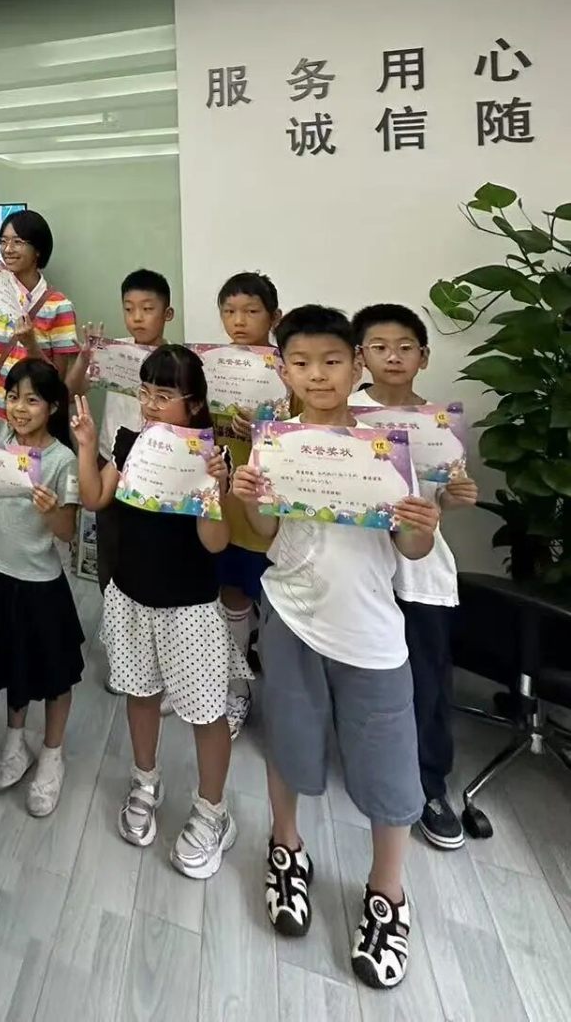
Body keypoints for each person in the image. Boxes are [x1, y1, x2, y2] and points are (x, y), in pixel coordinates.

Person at [232, 305, 441, 992]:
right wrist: (248, 495)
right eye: (300, 363)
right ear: (282, 369)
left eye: (330, 361)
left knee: (387, 764)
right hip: (291, 612)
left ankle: (388, 892)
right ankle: (286, 846)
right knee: (288, 741)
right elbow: (266, 533)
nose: (316, 375)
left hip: (370, 629)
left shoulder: (385, 447)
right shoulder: (274, 442)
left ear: (355, 365)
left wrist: (421, 522)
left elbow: (411, 548)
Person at [71, 347, 247, 877]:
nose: (149, 403)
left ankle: (212, 810)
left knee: (206, 712)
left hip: (189, 607)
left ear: (193, 404)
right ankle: (145, 780)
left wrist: (214, 489)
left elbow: (216, 543)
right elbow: (94, 497)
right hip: (130, 595)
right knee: (140, 693)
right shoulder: (131, 442)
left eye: (164, 395)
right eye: (145, 392)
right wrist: (86, 447)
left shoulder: (211, 456)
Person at [352, 303, 479, 851]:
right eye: (380, 347)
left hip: (419, 574)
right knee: (361, 679)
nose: (393, 357)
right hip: (359, 570)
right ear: (361, 356)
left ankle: (429, 786)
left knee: (426, 682)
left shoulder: (439, 426)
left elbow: (438, 500)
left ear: (423, 357)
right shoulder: (345, 413)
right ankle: (364, 769)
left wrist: (454, 496)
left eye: (405, 347)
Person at [0, 327, 83, 818]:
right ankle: (15, 741)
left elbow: (68, 533)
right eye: (13, 397)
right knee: (12, 664)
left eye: (32, 400)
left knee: (54, 674)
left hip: (41, 585)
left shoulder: (62, 460)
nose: (20, 408)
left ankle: (52, 754)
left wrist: (50, 510)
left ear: (52, 407)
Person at [66, 268, 175, 597]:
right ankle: (113, 607)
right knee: (110, 545)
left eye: (147, 308)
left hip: (157, 465)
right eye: (129, 309)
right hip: (110, 460)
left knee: (152, 547)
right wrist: (84, 358)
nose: (137, 317)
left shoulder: (177, 361)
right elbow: (72, 391)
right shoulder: (113, 352)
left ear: (167, 313)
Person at [212, 270, 282, 739]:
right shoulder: (213, 366)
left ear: (274, 317)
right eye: (230, 311)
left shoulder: (288, 369)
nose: (239, 321)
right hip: (226, 506)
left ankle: (282, 704)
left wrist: (263, 428)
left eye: (251, 311)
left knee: (274, 610)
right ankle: (235, 690)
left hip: (270, 514)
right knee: (230, 597)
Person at [0, 210, 78, 422]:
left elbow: (57, 381)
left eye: (18, 242)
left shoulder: (58, 306)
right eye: (3, 241)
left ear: (38, 250)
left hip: (33, 423)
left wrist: (31, 345)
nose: (8, 249)